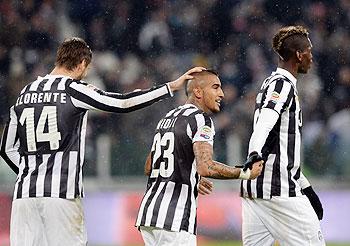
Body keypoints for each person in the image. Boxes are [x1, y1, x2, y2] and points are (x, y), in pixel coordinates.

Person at [0, 37, 205, 246]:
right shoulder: (74, 89)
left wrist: (33, 173)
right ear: (81, 64)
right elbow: (123, 103)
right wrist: (170, 87)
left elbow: (6, 149)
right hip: (60, 196)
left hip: (23, 198)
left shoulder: (25, 93)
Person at [135, 70, 264, 245]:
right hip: (174, 218)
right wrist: (244, 173)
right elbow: (206, 167)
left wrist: (189, 173)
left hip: (149, 216)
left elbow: (149, 166)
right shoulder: (201, 120)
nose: (222, 94)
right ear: (197, 91)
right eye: (215, 87)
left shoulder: (167, 118)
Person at [240, 26, 325, 245]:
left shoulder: (269, 83)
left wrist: (306, 187)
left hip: (255, 190)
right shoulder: (282, 84)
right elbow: (266, 123)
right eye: (309, 51)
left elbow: (278, 142)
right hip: (278, 189)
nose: (311, 57)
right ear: (298, 55)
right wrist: (254, 152)